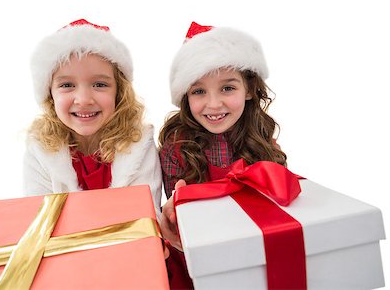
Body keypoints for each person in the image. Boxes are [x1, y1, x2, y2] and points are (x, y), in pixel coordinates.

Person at [159, 21, 287, 288]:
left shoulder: (262, 141)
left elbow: (279, 206)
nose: (213, 104)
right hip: (194, 258)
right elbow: (181, 219)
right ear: (186, 95)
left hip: (252, 254)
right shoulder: (176, 146)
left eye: (227, 88)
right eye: (199, 91)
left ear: (249, 89)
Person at [23, 19, 162, 218]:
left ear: (119, 92)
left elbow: (146, 220)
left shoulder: (138, 143)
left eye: (99, 84)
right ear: (50, 94)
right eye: (67, 85)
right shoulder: (40, 150)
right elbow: (39, 225)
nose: (84, 100)